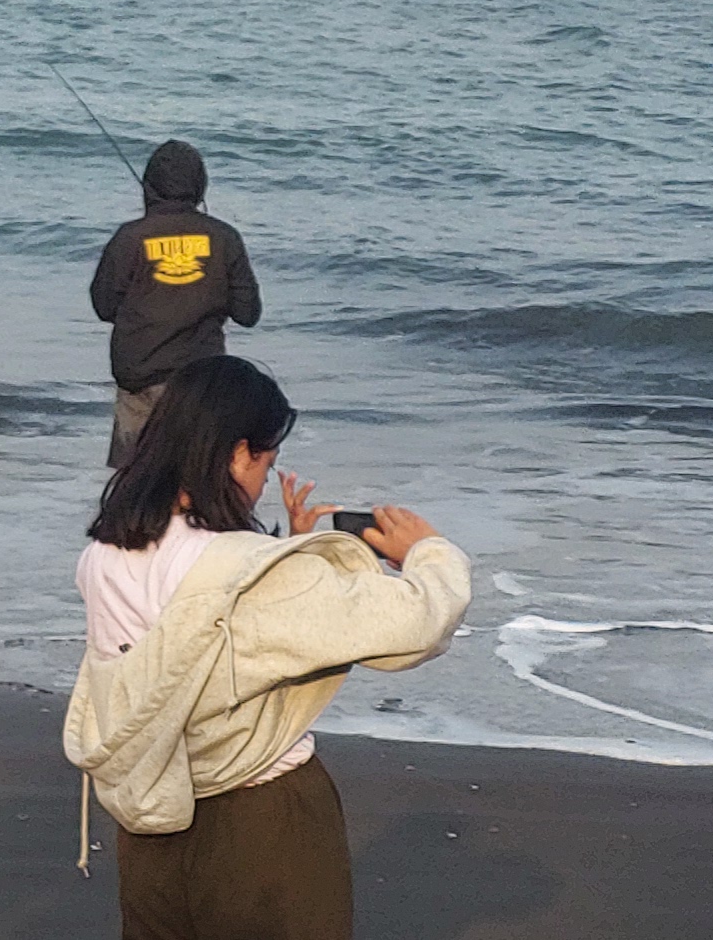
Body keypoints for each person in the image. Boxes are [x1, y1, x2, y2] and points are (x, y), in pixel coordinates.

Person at [61, 356, 469, 940]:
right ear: (234, 453)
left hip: (151, 814)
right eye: (264, 462)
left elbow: (206, 644)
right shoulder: (244, 573)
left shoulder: (103, 556)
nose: (261, 479)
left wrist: (289, 550)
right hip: (260, 820)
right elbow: (412, 630)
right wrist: (429, 552)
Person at [88, 140, 263, 467]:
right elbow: (248, 312)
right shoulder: (224, 238)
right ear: (200, 188)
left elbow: (104, 306)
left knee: (135, 482)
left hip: (139, 376)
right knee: (194, 478)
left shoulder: (129, 238)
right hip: (201, 382)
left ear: (148, 187)